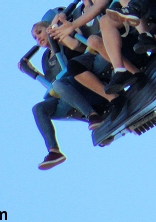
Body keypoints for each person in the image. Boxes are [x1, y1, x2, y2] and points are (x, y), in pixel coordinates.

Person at [24, 20, 105, 170]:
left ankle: (93, 115)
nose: (38, 38)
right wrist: (33, 72)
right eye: (34, 38)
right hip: (65, 92)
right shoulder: (45, 58)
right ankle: (54, 151)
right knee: (38, 108)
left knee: (60, 85)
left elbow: (81, 50)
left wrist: (61, 33)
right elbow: (51, 83)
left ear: (48, 28)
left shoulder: (64, 37)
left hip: (84, 82)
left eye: (39, 33)